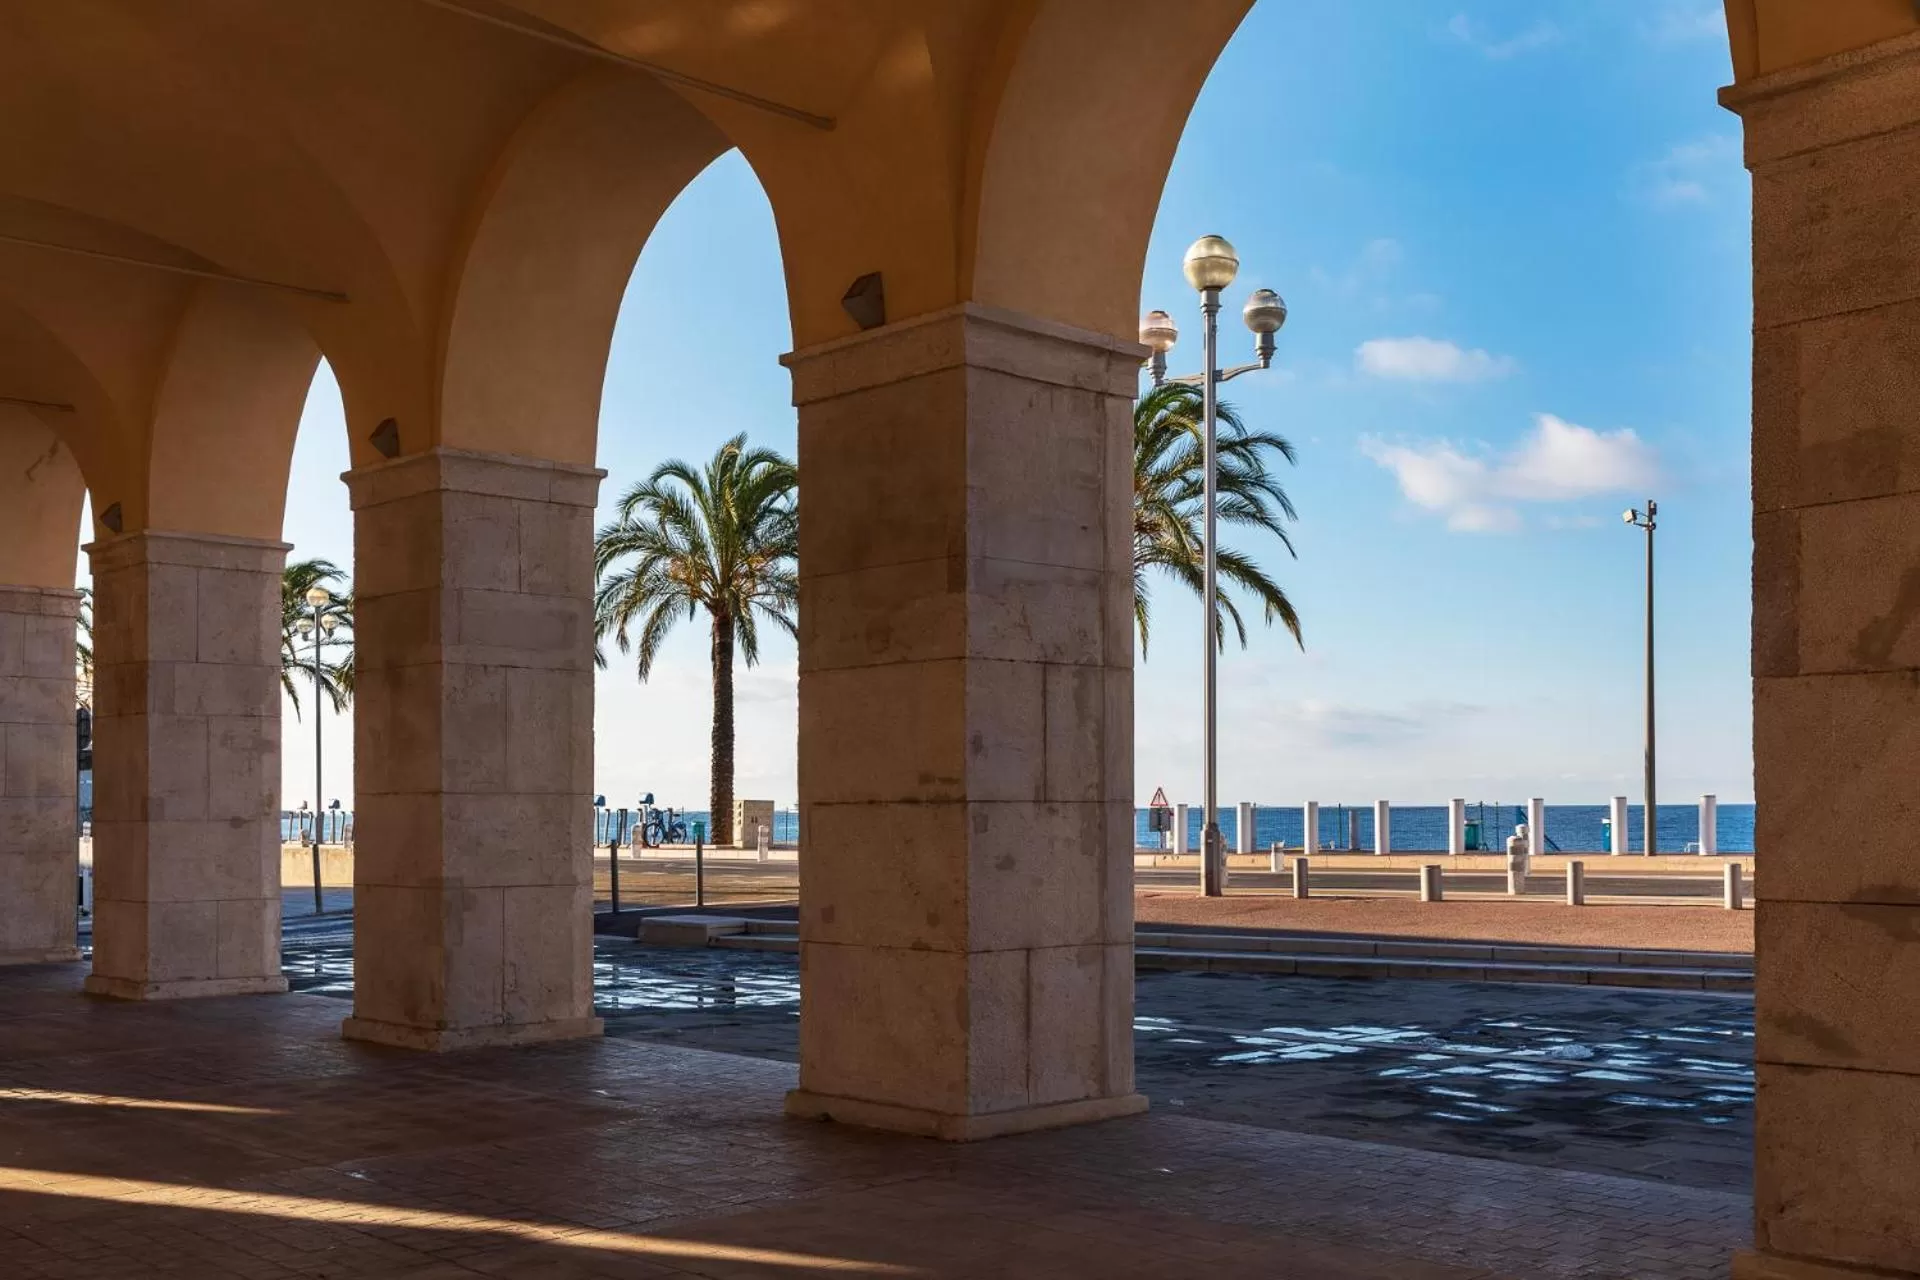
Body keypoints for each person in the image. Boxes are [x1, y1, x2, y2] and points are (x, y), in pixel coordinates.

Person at [1506, 822, 1532, 896]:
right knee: (1515, 865)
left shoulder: (1518, 841)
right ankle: (1516, 889)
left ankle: (1516, 889)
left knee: (1516, 864)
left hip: (1520, 865)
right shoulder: (1517, 841)